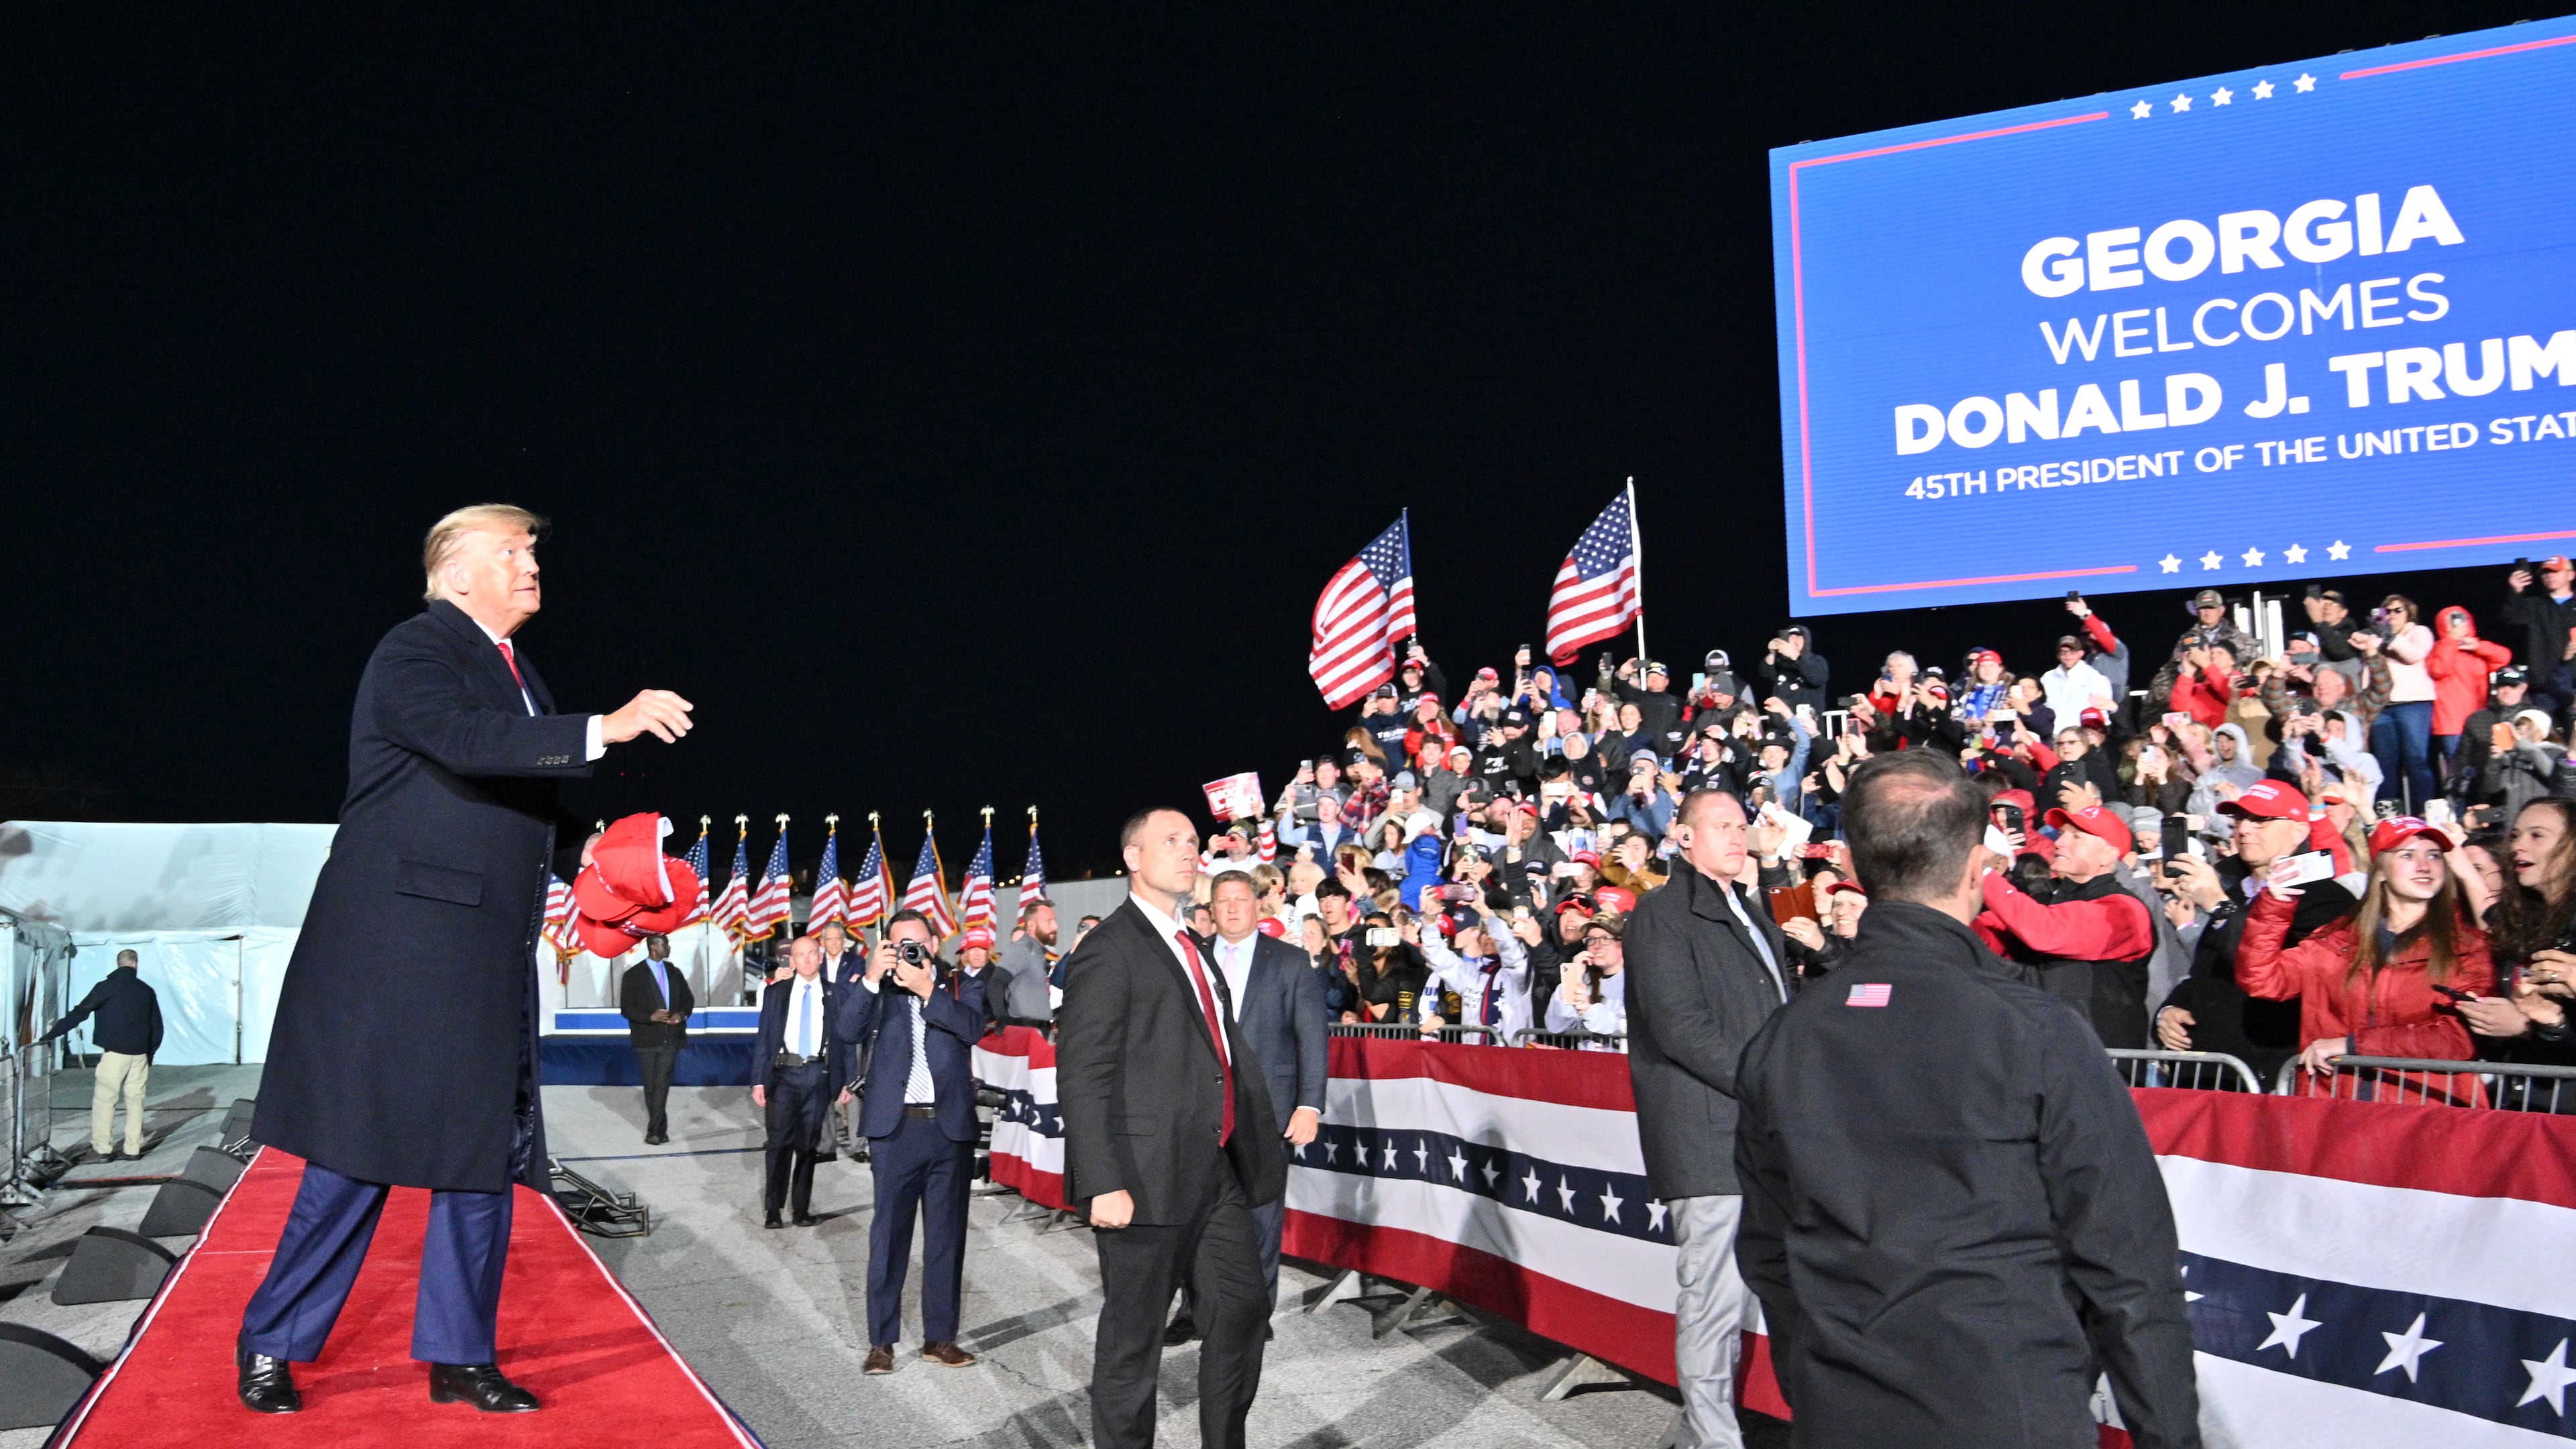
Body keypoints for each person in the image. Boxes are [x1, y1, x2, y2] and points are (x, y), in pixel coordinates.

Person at [239, 504, 693, 1416]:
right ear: (454, 576)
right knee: (356, 1153)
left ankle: (461, 1355)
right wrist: (605, 726)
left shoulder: (522, 677)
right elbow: (463, 742)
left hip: (485, 954)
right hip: (396, 953)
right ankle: (272, 1342)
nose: (532, 567)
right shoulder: (416, 652)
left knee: (481, 1157)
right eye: (510, 552)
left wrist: (604, 869)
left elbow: (528, 808)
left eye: (531, 553)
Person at [1732, 749, 2200, 1448]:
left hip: (1851, 1411)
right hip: (2005, 1406)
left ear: (1855, 869)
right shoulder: (2036, 1032)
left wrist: (1821, 1383)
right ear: (1980, 865)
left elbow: (1770, 1253)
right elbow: (2128, 1267)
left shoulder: (1785, 1037)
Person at [1057, 808, 1284, 1449]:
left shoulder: (1193, 948)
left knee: (1242, 1310)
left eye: (1192, 841)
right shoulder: (1109, 947)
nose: (1189, 852)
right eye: (1171, 841)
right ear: (1133, 858)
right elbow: (1083, 1074)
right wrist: (1102, 1180)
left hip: (1214, 1173)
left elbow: (1219, 1058)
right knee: (1134, 1345)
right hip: (1141, 1179)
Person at [1622, 789, 1791, 1449]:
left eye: (1741, 824)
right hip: (1708, 1137)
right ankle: (1713, 1437)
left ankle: (1707, 1428)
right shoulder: (1661, 912)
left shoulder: (1747, 908)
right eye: (1720, 825)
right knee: (1714, 1301)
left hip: (1759, 1134)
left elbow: (1799, 960)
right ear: (1683, 838)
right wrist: (1774, 1080)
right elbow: (1680, 1028)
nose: (1736, 834)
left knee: (1761, 1291)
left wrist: (1780, 873)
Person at [1165, 870, 1327, 1346]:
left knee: (1260, 1218)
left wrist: (1310, 1106)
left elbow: (1313, 1041)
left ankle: (1254, 1316)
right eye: (1223, 901)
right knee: (1195, 1215)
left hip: (1268, 1113)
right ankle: (1193, 1311)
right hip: (1200, 1112)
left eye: (1241, 899)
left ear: (1259, 906)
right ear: (1210, 910)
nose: (1233, 908)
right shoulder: (1190, 960)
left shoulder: (1291, 962)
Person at [2239, 816, 2495, 1099]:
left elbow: (2458, 1038)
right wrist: (2275, 905)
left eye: (2434, 856)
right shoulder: (2336, 939)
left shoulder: (2468, 946)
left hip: (2425, 1113)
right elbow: (2261, 979)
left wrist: (2351, 1045)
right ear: (2381, 870)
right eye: (2408, 855)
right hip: (2337, 1108)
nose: (2425, 866)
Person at [836, 909, 988, 1371]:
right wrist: (870, 979)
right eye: (898, 944)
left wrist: (927, 990)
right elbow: (846, 1031)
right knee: (889, 1237)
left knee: (946, 1239)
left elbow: (974, 1028)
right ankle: (882, 1341)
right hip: (896, 1129)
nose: (908, 952)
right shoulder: (875, 989)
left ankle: (940, 1338)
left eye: (916, 943)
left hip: (949, 1129)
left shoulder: (961, 985)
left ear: (935, 944)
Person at [2151, 780, 2357, 1085]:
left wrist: (2219, 907)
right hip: (2206, 1076)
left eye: (2261, 820)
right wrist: (2168, 1011)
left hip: (2271, 1076)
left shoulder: (2327, 899)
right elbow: (2207, 972)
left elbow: (2271, 975)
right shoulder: (2231, 890)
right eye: (2240, 820)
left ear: (2299, 832)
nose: (2244, 829)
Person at [1974, 804, 2158, 1047]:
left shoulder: (2126, 910)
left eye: (2077, 837)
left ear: (2109, 855)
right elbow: (1984, 934)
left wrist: (1982, 872)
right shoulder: (2044, 902)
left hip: (2100, 1065)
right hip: (2043, 1053)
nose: (2060, 842)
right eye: (2061, 834)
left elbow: (2047, 931)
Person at [38, 948, 162, 1161]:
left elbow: (80, 1012)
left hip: (115, 1054)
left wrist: (50, 1035)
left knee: (106, 1101)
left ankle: (104, 1149)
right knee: (136, 1102)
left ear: (118, 964)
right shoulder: (146, 990)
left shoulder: (106, 987)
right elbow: (157, 1026)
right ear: (136, 964)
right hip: (140, 1054)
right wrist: (149, 1054)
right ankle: (133, 1149)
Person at [753, 935, 839, 1230]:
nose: (805, 960)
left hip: (817, 1075)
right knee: (778, 1145)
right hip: (784, 1075)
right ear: (792, 959)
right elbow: (764, 1038)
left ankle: (801, 1209)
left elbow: (842, 1041)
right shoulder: (776, 993)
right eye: (799, 955)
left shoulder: (834, 994)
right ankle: (773, 1210)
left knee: (807, 1147)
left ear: (819, 957)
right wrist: (758, 1081)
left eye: (811, 954)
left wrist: (843, 1081)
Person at [619, 934, 694, 1145]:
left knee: (661, 1082)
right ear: (654, 947)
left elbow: (688, 1000)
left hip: (671, 1037)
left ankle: (653, 1130)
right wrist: (650, 1017)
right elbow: (627, 1008)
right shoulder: (634, 975)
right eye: (665, 944)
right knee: (651, 1085)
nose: (668, 948)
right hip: (645, 1038)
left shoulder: (674, 973)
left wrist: (681, 1014)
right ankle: (661, 1128)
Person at [994, 898, 1061, 1026]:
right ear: (1031, 925)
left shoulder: (1037, 951)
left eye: (1055, 920)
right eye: (1049, 921)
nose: (1055, 926)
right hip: (1026, 1029)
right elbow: (996, 983)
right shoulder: (1022, 949)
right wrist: (1002, 1019)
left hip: (1038, 1028)